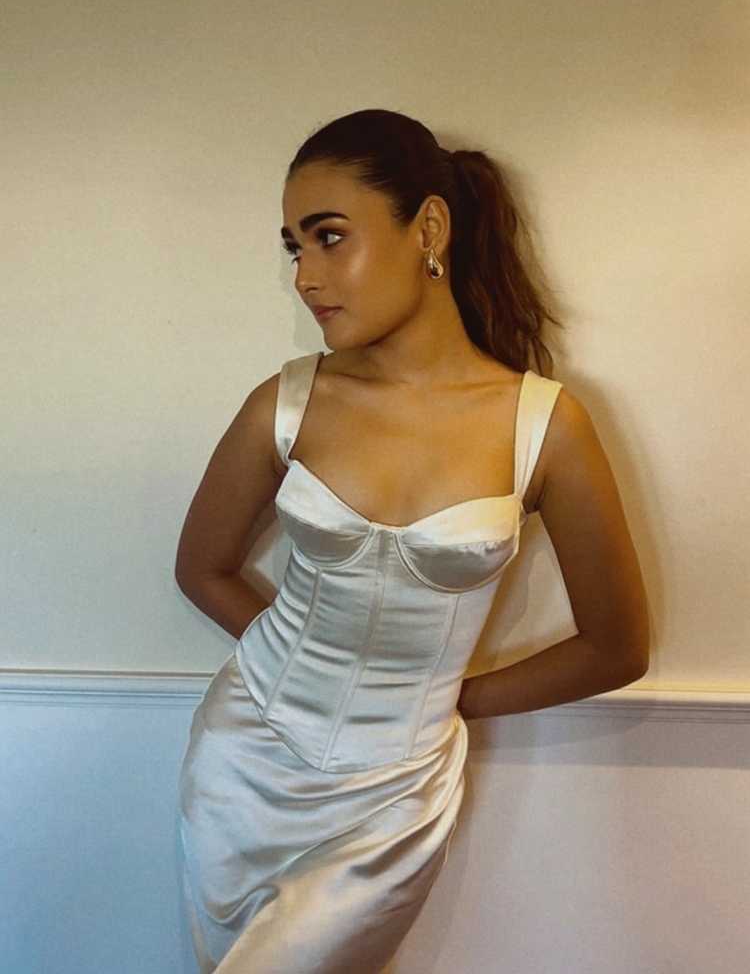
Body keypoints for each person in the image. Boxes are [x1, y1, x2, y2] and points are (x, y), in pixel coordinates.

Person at [174, 108, 650, 973]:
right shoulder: (285, 404)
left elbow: (616, 646)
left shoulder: (546, 427)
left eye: (329, 237)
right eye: (294, 248)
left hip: (393, 793)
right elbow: (201, 568)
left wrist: (445, 698)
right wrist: (296, 668)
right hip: (245, 760)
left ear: (429, 228)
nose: (305, 276)